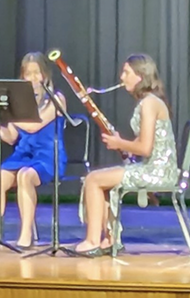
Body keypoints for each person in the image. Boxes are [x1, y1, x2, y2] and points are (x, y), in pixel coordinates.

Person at [73, 53, 179, 257]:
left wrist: (119, 143)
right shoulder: (150, 101)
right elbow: (146, 145)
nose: (122, 77)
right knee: (99, 180)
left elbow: (145, 148)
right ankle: (109, 239)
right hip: (154, 167)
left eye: (126, 72)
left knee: (93, 179)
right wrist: (124, 144)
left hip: (156, 171)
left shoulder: (149, 103)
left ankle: (93, 240)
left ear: (140, 76)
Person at [0, 51, 68, 249]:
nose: (33, 78)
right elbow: (11, 136)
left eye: (37, 73)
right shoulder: (19, 103)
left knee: (24, 176)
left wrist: (6, 112)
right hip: (23, 155)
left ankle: (26, 235)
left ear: (45, 75)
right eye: (28, 74)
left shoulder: (57, 99)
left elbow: (33, 127)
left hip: (47, 157)